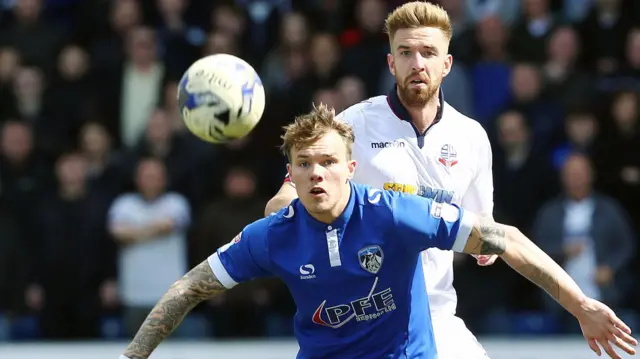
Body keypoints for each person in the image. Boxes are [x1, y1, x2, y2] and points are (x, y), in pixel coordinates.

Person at [118, 105, 637, 359]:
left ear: (351, 166)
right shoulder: (272, 235)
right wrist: (132, 357)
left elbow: (505, 239)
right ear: (291, 175)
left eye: (327, 162)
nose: (316, 173)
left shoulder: (394, 213)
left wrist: (581, 306)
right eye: (304, 164)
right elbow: (188, 287)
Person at [265, 2, 496, 358]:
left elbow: (484, 229)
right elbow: (284, 197)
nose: (416, 63)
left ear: (446, 64)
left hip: (437, 316)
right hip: (362, 321)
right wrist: (284, 216)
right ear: (391, 63)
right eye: (405, 52)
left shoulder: (472, 137)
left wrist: (486, 251)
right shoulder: (352, 125)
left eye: (428, 52)